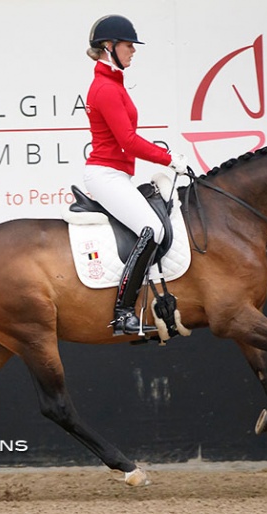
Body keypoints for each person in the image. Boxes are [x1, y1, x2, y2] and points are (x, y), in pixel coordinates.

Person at [84, 14, 189, 336]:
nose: (133, 51)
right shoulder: (105, 89)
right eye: (129, 45)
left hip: (116, 175)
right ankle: (122, 312)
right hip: (105, 175)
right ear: (109, 46)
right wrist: (168, 158)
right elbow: (127, 140)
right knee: (152, 229)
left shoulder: (114, 84)